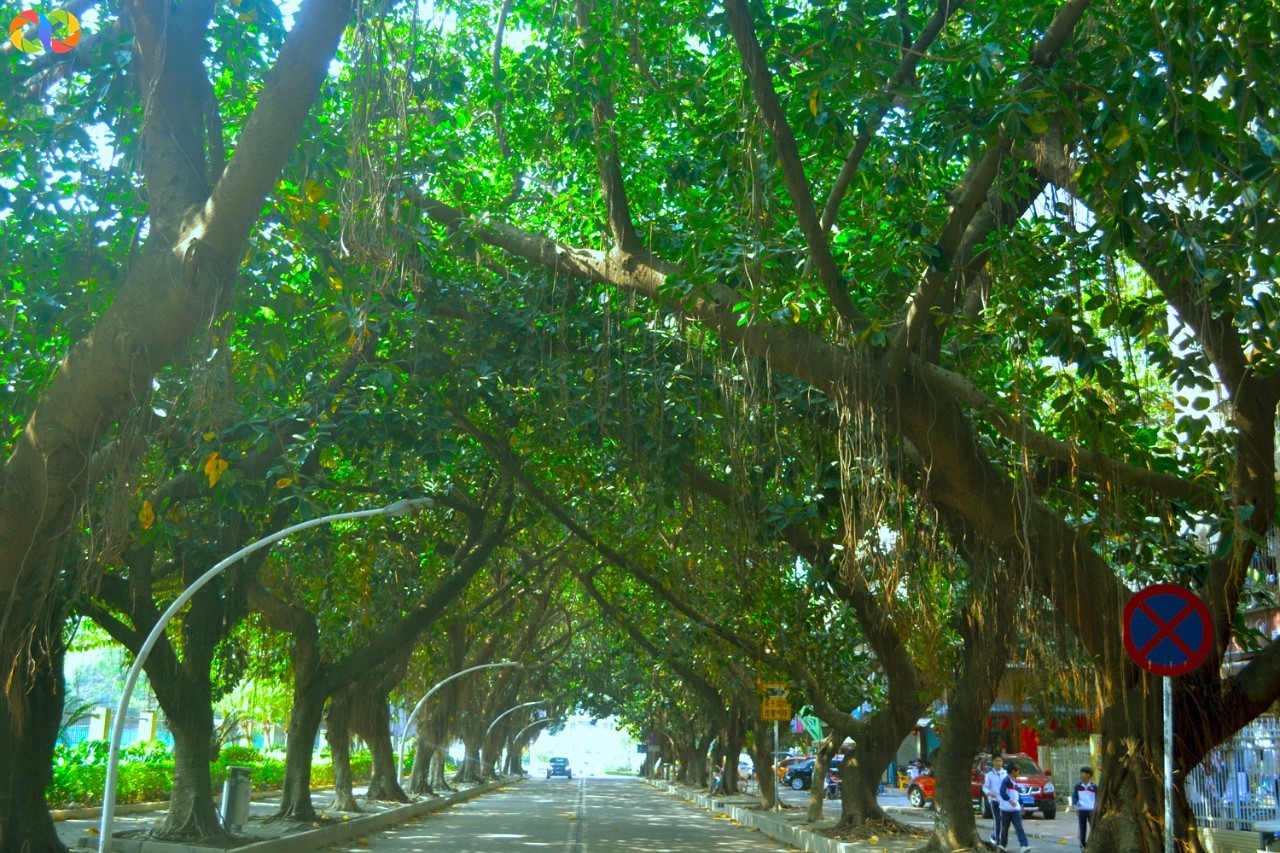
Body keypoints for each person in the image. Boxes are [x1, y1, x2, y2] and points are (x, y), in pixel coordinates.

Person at [998, 766, 1030, 852]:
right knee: (1005, 828)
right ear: (1013, 771)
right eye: (1018, 771)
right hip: (1005, 809)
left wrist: (1021, 805)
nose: (1018, 774)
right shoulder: (1006, 781)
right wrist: (1009, 800)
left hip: (1015, 810)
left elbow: (1017, 795)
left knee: (1019, 827)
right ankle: (1003, 845)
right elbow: (1002, 792)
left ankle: (1024, 845)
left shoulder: (1014, 783)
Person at [984, 756, 1008, 845]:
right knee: (997, 818)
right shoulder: (989, 775)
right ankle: (997, 840)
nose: (998, 763)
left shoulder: (1005, 774)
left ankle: (994, 835)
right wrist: (990, 794)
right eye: (996, 761)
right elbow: (985, 787)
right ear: (993, 762)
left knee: (1003, 820)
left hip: (1003, 801)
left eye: (1000, 761)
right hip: (994, 800)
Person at [1072, 766, 1097, 849]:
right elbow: (1075, 797)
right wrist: (1075, 805)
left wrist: (1096, 808)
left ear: (1088, 775)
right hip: (1081, 810)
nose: (1080, 775)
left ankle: (1093, 844)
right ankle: (1082, 844)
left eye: (1082, 773)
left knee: (1093, 827)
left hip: (1091, 810)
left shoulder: (1094, 787)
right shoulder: (1078, 786)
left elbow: (1098, 798)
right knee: (1082, 828)